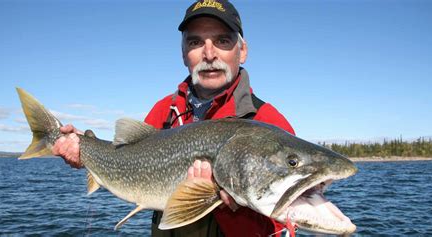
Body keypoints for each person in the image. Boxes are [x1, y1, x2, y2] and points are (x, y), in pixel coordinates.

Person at [53, 1, 296, 236]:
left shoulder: (270, 123)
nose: (209, 54)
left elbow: (281, 228)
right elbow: (128, 163)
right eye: (195, 42)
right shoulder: (164, 110)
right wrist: (85, 150)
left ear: (242, 52)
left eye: (222, 40)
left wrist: (230, 209)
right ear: (183, 54)